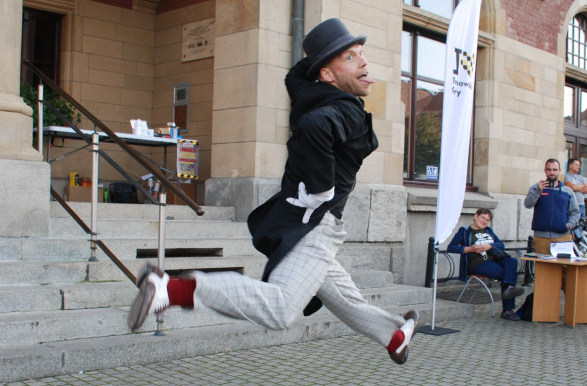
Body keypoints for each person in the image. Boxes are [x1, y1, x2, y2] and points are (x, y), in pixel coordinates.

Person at [127, 18, 418, 364]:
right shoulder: (344, 110)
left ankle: (393, 334)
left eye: (361, 54)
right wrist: (322, 190)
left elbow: (294, 76)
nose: (364, 63)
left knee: (339, 292)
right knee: (281, 309)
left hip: (294, 215)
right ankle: (170, 289)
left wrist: (321, 55)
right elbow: (316, 127)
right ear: (326, 74)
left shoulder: (308, 91)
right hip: (313, 224)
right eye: (351, 57)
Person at [447, 209, 526, 320]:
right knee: (507, 275)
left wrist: (489, 246)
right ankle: (507, 309)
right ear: (476, 216)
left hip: (493, 261)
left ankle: (509, 290)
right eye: (483, 218)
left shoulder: (488, 230)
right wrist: (470, 248)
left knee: (512, 261)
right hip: (477, 264)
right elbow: (451, 247)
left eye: (487, 220)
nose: (484, 221)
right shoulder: (465, 231)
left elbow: (501, 245)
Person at [525, 159, 580, 255]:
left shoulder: (567, 191)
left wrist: (568, 226)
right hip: (541, 239)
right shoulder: (536, 187)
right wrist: (538, 191)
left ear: (559, 171)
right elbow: (527, 204)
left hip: (563, 237)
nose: (552, 172)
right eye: (549, 169)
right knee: (544, 269)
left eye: (555, 170)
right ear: (545, 171)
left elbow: (575, 212)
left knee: (563, 268)